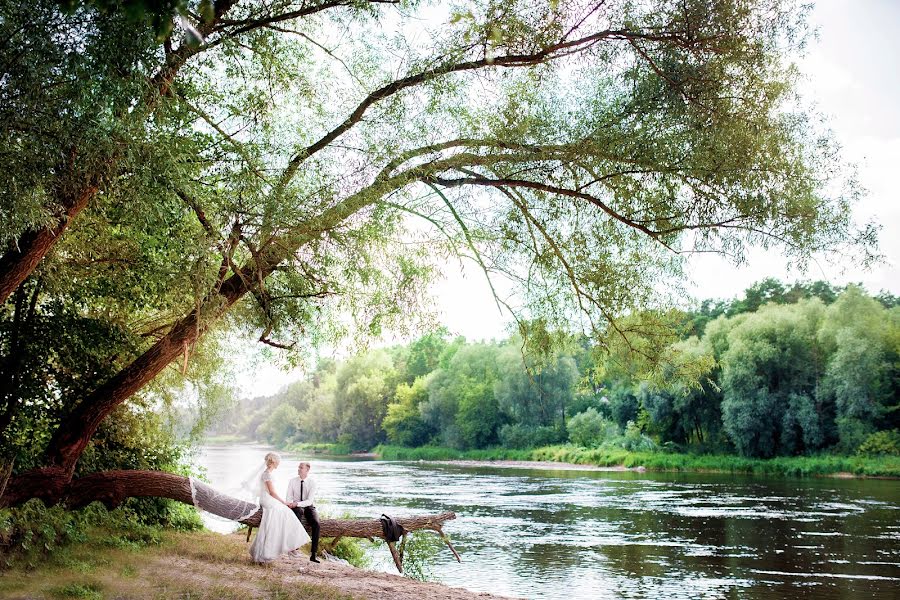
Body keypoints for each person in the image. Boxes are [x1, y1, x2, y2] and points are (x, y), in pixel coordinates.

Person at [249, 452, 310, 563]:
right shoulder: (267, 474)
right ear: (274, 462)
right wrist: (284, 502)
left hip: (268, 498)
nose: (279, 464)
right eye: (278, 462)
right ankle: (290, 547)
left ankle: (292, 546)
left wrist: (283, 503)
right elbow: (272, 492)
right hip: (267, 499)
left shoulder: (269, 473)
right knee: (285, 512)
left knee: (286, 513)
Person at [286, 461, 321, 563]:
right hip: (296, 506)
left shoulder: (312, 483)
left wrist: (297, 504)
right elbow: (288, 497)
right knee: (298, 513)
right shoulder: (292, 481)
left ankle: (313, 554)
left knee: (316, 524)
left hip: (308, 506)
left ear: (307, 470)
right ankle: (294, 547)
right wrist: (292, 504)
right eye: (298, 467)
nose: (299, 469)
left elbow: (309, 501)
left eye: (301, 467)